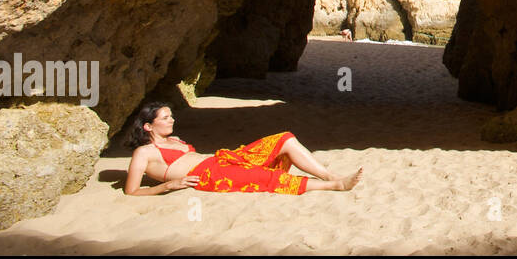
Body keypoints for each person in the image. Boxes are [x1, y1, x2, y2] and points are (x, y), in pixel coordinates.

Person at [122, 102, 361, 196]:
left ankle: (329, 174)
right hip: (211, 175)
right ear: (148, 125)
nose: (172, 120)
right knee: (269, 178)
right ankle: (335, 184)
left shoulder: (175, 140)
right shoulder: (144, 153)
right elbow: (131, 191)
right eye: (165, 117)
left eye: (171, 115)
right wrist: (168, 185)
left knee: (284, 139)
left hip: (222, 159)